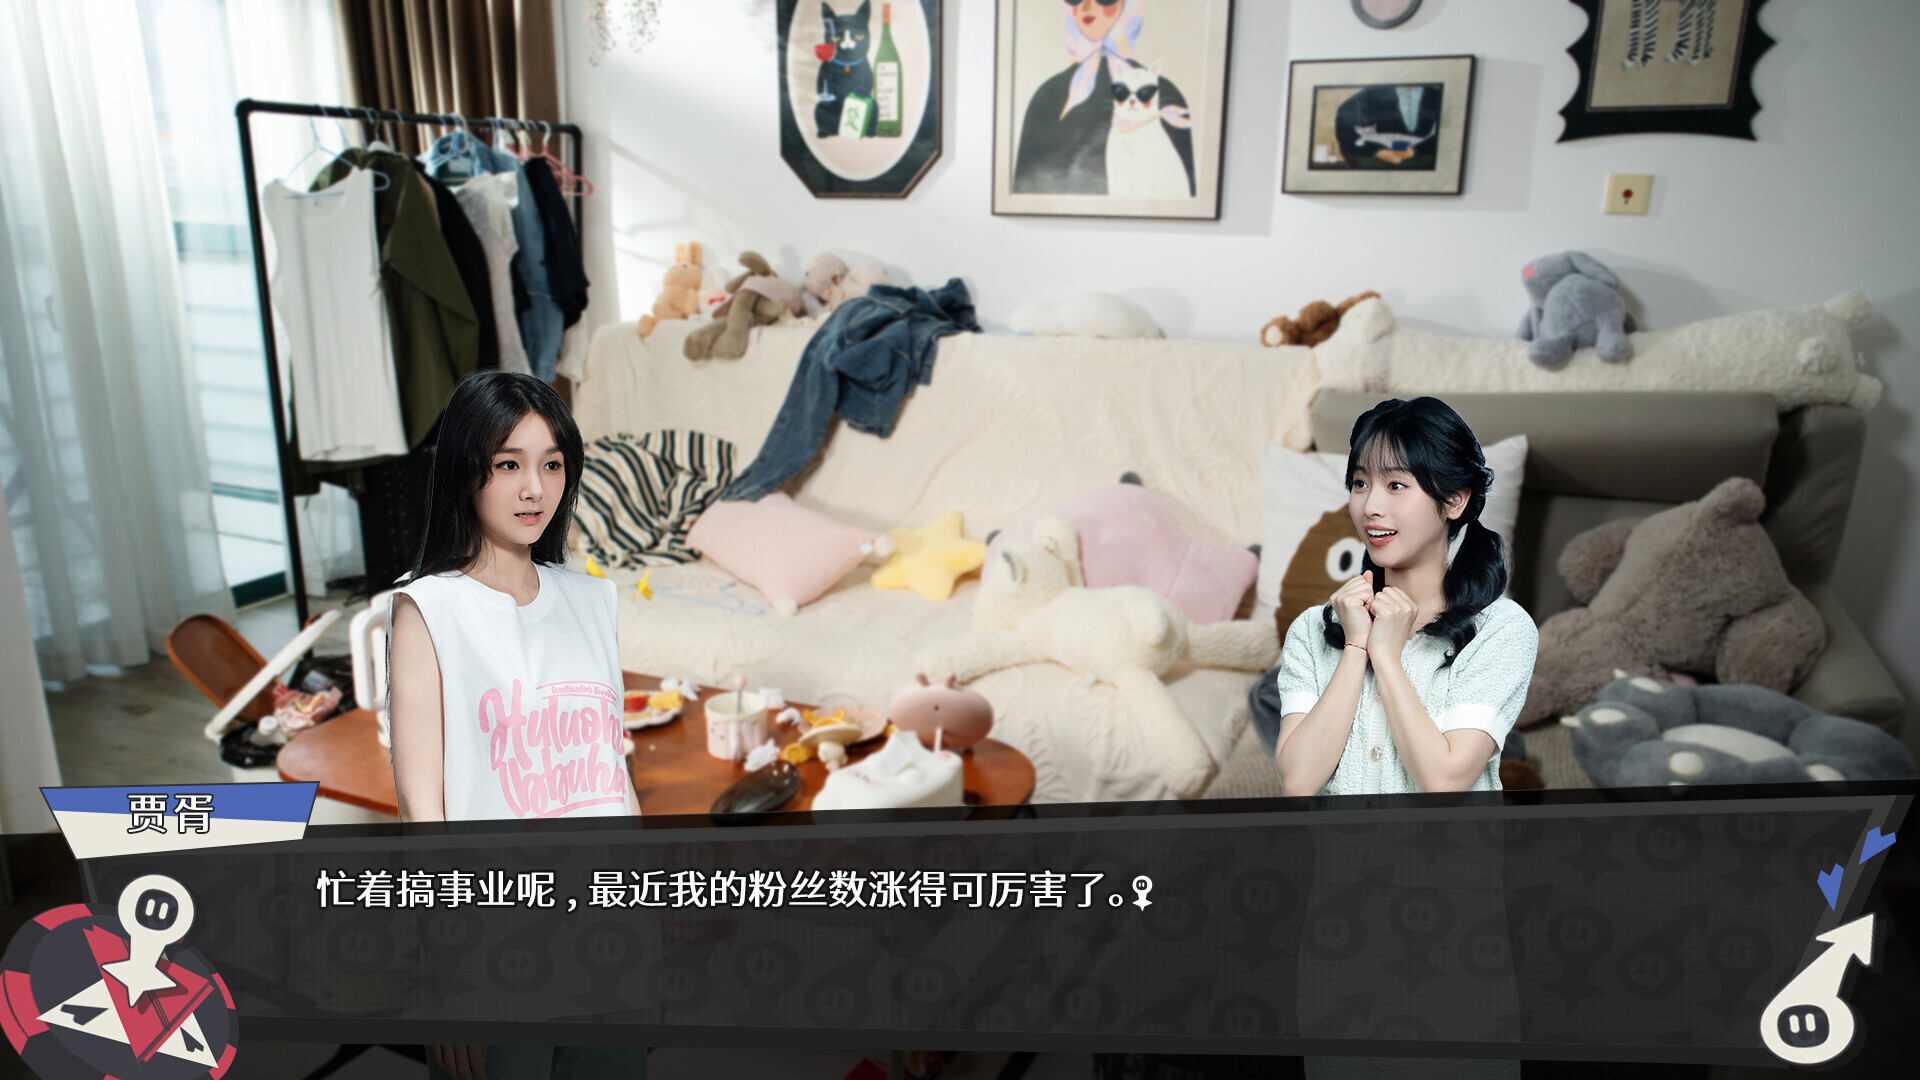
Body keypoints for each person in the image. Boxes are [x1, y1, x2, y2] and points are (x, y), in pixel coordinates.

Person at [385, 371, 645, 1080]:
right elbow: (423, 814)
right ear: (467, 470)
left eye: (551, 465)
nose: (535, 489)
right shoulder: (427, 610)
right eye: (508, 465)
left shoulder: (592, 600)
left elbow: (613, 779)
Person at [1272, 397, 1537, 796]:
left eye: (1396, 485)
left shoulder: (1500, 630)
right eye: (1360, 483)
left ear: (1455, 500)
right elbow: (1298, 782)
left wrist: (1385, 656)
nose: (1371, 506)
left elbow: (1445, 782)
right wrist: (1356, 646)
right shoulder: (1312, 629)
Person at [1011, 0, 1194, 196]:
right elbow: (1023, 194)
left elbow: (1185, 203)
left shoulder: (1161, 92)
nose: (1086, 7)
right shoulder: (1047, 96)